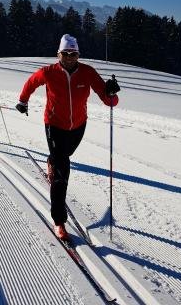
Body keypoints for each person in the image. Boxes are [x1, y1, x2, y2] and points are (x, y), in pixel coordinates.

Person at [15, 34, 120, 240]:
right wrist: (23, 101)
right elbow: (30, 83)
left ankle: (52, 160)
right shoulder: (48, 72)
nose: (71, 57)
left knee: (64, 155)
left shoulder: (88, 72)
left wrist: (112, 93)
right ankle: (59, 221)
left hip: (78, 126)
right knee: (62, 173)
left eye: (74, 54)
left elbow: (108, 100)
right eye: (66, 53)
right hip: (54, 125)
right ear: (58, 54)